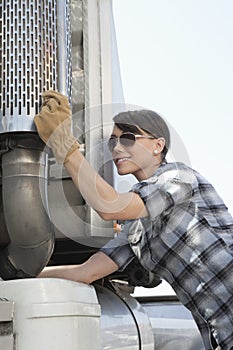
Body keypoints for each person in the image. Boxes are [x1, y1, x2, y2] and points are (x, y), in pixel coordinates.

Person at [34, 90, 233, 350]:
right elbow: (87, 272)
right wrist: (24, 277)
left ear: (157, 146)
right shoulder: (136, 230)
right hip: (219, 335)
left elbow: (110, 206)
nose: (117, 148)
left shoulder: (179, 178)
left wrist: (64, 146)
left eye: (127, 138)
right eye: (112, 142)